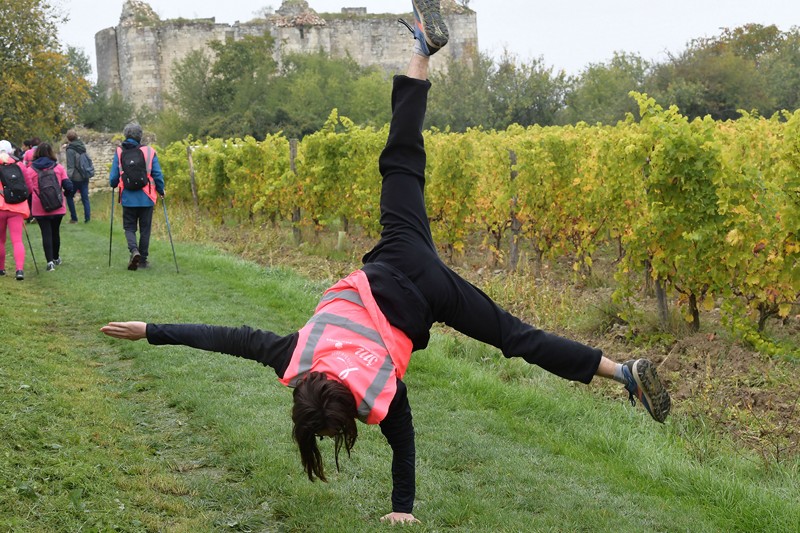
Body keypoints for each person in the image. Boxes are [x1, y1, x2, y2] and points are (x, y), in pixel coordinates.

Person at [101, 0, 671, 524]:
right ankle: (422, 48)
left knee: (514, 337)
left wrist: (403, 508)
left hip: (430, 294)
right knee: (401, 158)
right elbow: (224, 336)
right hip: (399, 251)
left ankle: (621, 372)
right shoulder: (295, 354)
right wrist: (151, 329)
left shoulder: (378, 392)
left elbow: (404, 437)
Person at [108, 122, 165, 270]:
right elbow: (157, 174)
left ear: (125, 135)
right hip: (147, 197)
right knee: (145, 229)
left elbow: (113, 177)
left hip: (128, 196)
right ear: (140, 136)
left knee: (129, 227)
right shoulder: (149, 151)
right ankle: (143, 260)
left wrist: (113, 184)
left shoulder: (119, 152)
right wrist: (161, 190)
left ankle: (134, 251)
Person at [27, 142, 73, 271]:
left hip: (39, 206)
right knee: (55, 232)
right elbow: (69, 185)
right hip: (57, 205)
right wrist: (65, 195)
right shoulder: (58, 168)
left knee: (46, 233)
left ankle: (49, 262)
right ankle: (56, 257)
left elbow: (28, 190)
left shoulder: (31, 170)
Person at [0, 140, 33, 280]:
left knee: (0, 240)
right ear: (10, 151)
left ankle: (1, 269)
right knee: (17, 240)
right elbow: (29, 187)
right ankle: (19, 270)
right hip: (17, 207)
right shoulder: (19, 164)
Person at [64, 129, 92, 223]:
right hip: (85, 175)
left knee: (69, 196)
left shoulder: (70, 149)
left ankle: (74, 218)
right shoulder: (82, 146)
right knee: (85, 198)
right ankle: (87, 219)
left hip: (75, 178)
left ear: (68, 139)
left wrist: (67, 179)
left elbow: (70, 166)